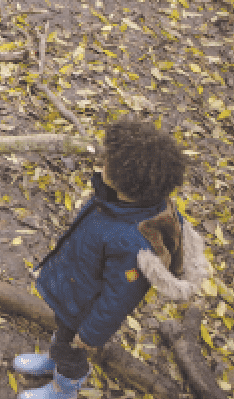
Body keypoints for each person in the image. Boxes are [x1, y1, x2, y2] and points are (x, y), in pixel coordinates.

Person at [12, 119, 211, 399]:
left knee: (73, 350)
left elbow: (119, 297)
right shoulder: (118, 201)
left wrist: (91, 334)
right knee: (63, 334)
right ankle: (54, 358)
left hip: (85, 308)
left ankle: (64, 387)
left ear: (126, 180)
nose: (101, 164)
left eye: (108, 163)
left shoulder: (133, 242)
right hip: (75, 287)